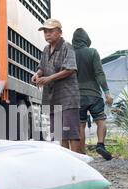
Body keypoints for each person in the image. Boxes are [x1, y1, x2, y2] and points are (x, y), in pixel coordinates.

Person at [31, 19, 80, 152]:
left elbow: (70, 69)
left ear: (60, 32)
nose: (47, 34)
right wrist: (37, 75)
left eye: (51, 31)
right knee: (59, 134)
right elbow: (42, 67)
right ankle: (66, 164)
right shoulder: (46, 49)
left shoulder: (66, 46)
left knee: (71, 133)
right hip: (52, 98)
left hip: (68, 97)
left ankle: (76, 163)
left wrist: (49, 78)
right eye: (45, 31)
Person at [72, 28, 113, 160]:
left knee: (81, 125)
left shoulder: (70, 54)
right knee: (100, 120)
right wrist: (106, 92)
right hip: (94, 94)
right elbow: (99, 73)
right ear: (86, 39)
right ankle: (100, 144)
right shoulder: (92, 52)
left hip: (77, 95)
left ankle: (82, 153)